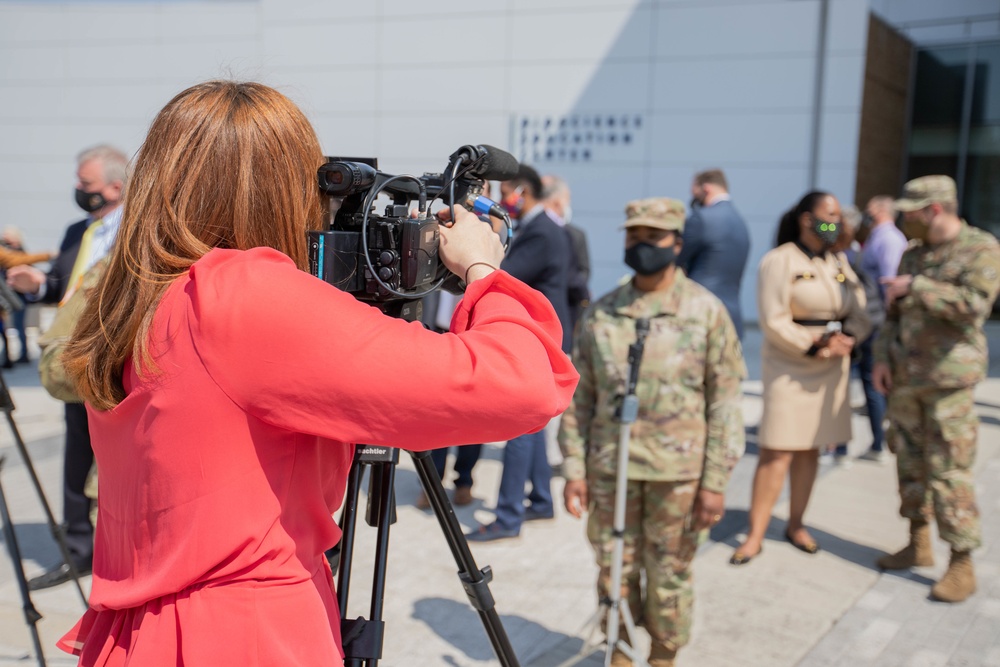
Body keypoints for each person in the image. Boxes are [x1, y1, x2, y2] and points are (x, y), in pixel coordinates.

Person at [55, 80, 578, 665]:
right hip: (242, 636)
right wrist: (482, 267)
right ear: (281, 185)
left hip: (138, 634)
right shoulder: (241, 294)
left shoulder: (134, 294)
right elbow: (518, 383)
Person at [560, 197, 745, 667]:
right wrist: (575, 469)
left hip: (677, 475)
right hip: (610, 470)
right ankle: (619, 647)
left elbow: (724, 404)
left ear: (677, 244)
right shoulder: (602, 314)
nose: (642, 245)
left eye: (654, 238)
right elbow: (580, 398)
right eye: (634, 236)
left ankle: (664, 654)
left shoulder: (705, 312)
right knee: (613, 569)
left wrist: (715, 483)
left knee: (670, 574)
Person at [873, 175, 1000, 603]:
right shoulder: (913, 255)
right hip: (907, 379)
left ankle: (961, 562)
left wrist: (920, 287)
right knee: (908, 464)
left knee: (948, 472)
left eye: (911, 212)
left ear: (935, 210)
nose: (905, 219)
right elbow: (892, 315)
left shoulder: (981, 248)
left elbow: (974, 306)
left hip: (949, 382)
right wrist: (880, 361)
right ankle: (918, 541)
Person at [9, 144, 127, 590]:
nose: (78, 190)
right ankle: (79, 551)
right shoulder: (79, 229)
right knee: (76, 459)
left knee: (117, 464)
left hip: (112, 361)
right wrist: (39, 284)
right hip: (70, 361)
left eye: (87, 184)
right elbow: (66, 284)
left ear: (116, 186)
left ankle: (119, 554)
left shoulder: (138, 229)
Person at [731, 191, 870, 565]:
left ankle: (796, 524)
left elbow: (860, 304)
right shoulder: (779, 261)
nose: (836, 222)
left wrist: (848, 339)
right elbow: (773, 319)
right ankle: (755, 534)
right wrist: (812, 345)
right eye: (829, 215)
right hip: (792, 367)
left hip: (832, 366)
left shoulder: (839, 260)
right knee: (777, 451)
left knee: (811, 447)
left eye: (839, 216)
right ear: (806, 219)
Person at [467, 164, 573, 542]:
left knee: (521, 427)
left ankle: (508, 516)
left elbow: (502, 275)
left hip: (539, 338)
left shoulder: (542, 231)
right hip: (546, 335)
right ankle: (541, 500)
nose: (503, 200)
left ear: (524, 192)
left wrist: (484, 240)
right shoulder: (546, 226)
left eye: (507, 191)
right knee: (537, 428)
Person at [855, 195, 908, 463]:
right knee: (868, 382)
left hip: (877, 325)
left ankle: (879, 443)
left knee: (874, 382)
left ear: (880, 211)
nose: (866, 213)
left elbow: (891, 287)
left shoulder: (888, 240)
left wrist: (888, 331)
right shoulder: (876, 237)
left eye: (869, 209)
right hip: (868, 321)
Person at [678, 168, 751, 339]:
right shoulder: (740, 222)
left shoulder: (701, 218)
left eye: (695, 193)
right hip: (731, 318)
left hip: (699, 316)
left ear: (706, 189)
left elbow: (673, 259)